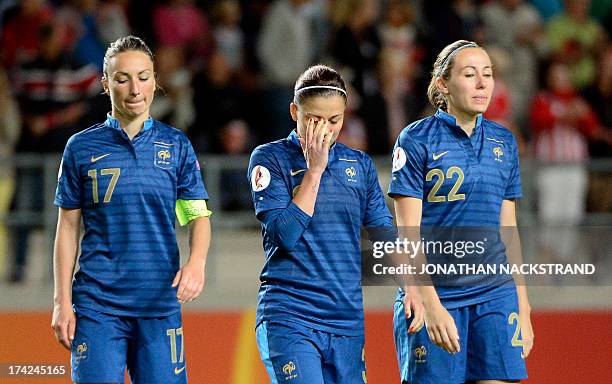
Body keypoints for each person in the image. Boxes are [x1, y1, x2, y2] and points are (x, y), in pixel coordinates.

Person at [51, 35, 212, 384]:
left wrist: (196, 262)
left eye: (143, 76)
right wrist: (62, 300)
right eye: (123, 78)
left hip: (159, 305)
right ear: (106, 83)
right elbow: (67, 228)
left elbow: (197, 216)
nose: (135, 88)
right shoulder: (80, 148)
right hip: (97, 306)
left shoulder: (177, 146)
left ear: (155, 80)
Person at [248, 64, 415, 384]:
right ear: (294, 111)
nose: (324, 129)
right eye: (313, 119)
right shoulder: (270, 159)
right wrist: (314, 172)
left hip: (345, 322)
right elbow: (283, 236)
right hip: (290, 317)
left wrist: (413, 287)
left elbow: (383, 233)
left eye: (334, 120)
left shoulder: (360, 166)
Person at [389, 40, 534, 383]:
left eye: (488, 74)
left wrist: (522, 304)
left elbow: (508, 230)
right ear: (443, 84)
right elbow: (407, 233)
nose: (483, 83)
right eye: (470, 74)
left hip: (495, 293)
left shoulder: (504, 141)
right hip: (436, 292)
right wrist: (432, 304)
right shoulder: (415, 140)